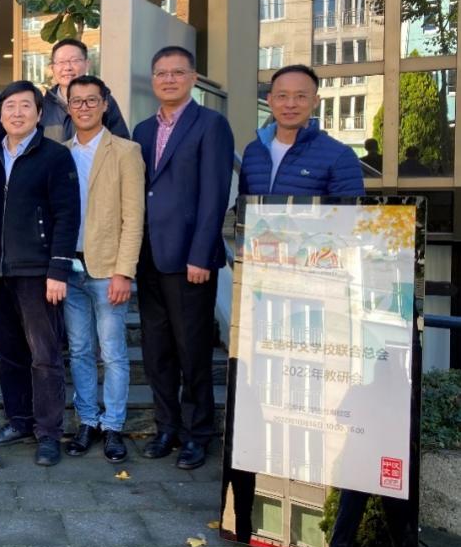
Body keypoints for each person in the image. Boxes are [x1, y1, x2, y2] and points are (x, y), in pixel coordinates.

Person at [132, 46, 233, 471]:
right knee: (157, 352)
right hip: (149, 257)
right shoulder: (141, 130)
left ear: (193, 78)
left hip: (191, 261)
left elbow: (215, 195)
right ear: (152, 80)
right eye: (161, 73)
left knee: (192, 352)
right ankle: (167, 428)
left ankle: (198, 434)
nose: (169, 79)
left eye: (177, 72)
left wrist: (201, 254)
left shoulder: (211, 125)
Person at [0, 81, 80, 466]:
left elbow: (67, 215)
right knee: (9, 353)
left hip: (39, 272)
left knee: (45, 355)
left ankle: (48, 433)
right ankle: (18, 421)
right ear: (0, 114)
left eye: (25, 106)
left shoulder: (54, 156)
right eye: (10, 107)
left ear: (39, 113)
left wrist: (59, 268)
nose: (17, 113)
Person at [62, 76, 144, 463]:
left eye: (91, 100)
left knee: (112, 353)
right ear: (68, 108)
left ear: (105, 104)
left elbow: (134, 217)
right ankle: (87, 421)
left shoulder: (126, 151)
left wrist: (124, 271)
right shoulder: (61, 153)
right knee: (79, 350)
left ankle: (113, 426)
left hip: (108, 268)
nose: (84, 107)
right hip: (70, 268)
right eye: (77, 101)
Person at [239, 65, 364, 196]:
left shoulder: (339, 156)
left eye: (301, 96)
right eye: (282, 96)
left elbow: (349, 209)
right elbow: (244, 204)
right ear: (270, 100)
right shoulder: (253, 151)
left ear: (315, 101)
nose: (290, 104)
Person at [44, 39, 129, 142]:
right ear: (52, 68)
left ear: (87, 64)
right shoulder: (42, 105)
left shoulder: (104, 100)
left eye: (74, 61)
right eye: (61, 62)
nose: (67, 67)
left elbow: (121, 142)